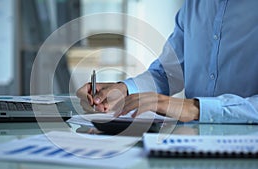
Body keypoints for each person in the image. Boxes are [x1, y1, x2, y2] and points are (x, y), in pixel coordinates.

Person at [76, 0, 258, 123]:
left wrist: (195, 108)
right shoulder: (193, 6)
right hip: (191, 143)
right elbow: (167, 73)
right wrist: (124, 90)